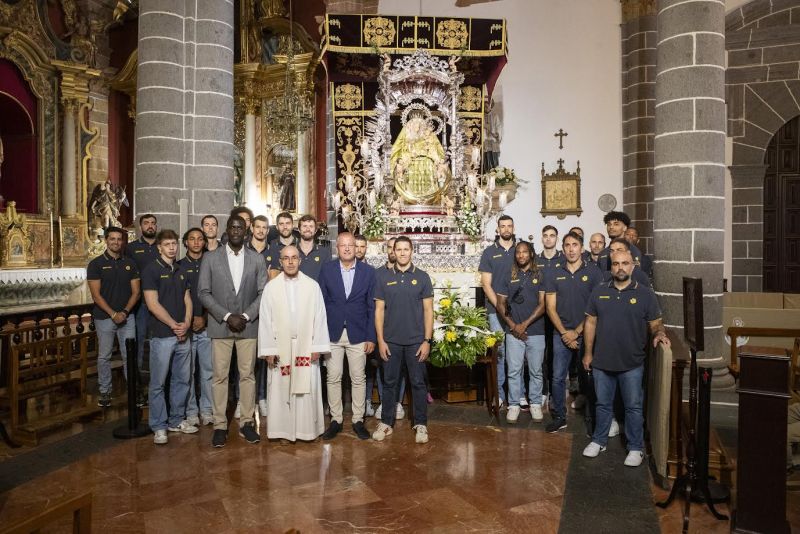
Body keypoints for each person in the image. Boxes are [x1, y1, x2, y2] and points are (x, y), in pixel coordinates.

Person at [582, 248, 670, 467]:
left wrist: (659, 334)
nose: (620, 267)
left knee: (633, 407)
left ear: (632, 266)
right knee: (602, 405)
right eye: (615, 264)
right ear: (611, 267)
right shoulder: (599, 291)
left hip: (632, 363)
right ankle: (599, 440)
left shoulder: (645, 294)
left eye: (624, 263)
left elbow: (656, 323)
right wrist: (588, 353)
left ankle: (635, 448)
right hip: (602, 361)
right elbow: (590, 323)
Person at [198, 215, 268, 447]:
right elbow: (203, 292)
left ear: (246, 231)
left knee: (247, 376)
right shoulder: (210, 258)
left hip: (248, 326)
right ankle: (220, 425)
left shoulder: (256, 259)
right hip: (220, 326)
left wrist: (246, 316)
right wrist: (227, 316)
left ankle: (247, 423)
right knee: (220, 376)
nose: (236, 230)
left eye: (240, 227)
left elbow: (263, 292)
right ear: (227, 230)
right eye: (233, 227)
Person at [258, 245, 331, 441]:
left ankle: (306, 431)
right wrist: (269, 349)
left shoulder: (312, 286)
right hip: (280, 349)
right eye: (286, 258)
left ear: (300, 260)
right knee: (281, 389)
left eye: (294, 258)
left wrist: (317, 346)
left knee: (306, 388)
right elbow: (265, 320)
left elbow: (320, 317)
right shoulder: (271, 287)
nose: (290, 262)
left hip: (305, 347)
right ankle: (283, 431)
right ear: (280, 262)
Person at [372, 236, 434, 444]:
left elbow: (428, 311)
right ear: (394, 252)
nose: (402, 253)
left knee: (418, 383)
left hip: (416, 341)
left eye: (406, 249)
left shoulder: (422, 277)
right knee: (389, 383)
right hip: (391, 341)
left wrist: (427, 340)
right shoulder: (383, 278)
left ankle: (421, 424)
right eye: (398, 249)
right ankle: (386, 422)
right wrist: (381, 340)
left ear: (412, 251)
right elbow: (379, 311)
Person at [318, 232, 376, 440]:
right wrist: (319, 336)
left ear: (356, 247)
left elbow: (371, 307)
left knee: (358, 378)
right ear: (338, 248)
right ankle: (336, 420)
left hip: (358, 333)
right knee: (333, 377)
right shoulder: (327, 270)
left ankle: (358, 420)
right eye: (343, 245)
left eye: (351, 245)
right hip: (332, 333)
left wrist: (371, 337)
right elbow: (320, 304)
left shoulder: (369, 272)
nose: (347, 248)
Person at [544, 231, 603, 433]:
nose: (571, 249)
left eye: (575, 245)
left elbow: (595, 307)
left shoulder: (594, 272)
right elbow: (550, 307)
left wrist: (576, 332)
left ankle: (591, 419)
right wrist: (564, 333)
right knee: (557, 377)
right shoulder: (553, 272)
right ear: (563, 249)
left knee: (589, 377)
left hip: (586, 333)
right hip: (560, 334)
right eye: (567, 245)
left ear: (582, 248)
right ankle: (560, 417)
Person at [141, 229, 196, 445]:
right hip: (163, 335)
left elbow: (187, 299)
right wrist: (174, 325)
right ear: (159, 247)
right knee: (158, 383)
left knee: (182, 380)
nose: (172, 248)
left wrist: (187, 323)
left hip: (183, 334)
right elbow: (152, 304)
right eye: (167, 244)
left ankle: (176, 420)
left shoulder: (181, 269)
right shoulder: (151, 270)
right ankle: (159, 426)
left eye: (174, 244)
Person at [87, 227, 140, 407]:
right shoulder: (96, 264)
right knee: (104, 356)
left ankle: (133, 392)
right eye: (112, 239)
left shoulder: (130, 263)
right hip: (104, 318)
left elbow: (136, 292)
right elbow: (96, 296)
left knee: (129, 355)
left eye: (119, 239)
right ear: (106, 240)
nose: (116, 242)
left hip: (127, 317)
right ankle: (105, 391)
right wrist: (113, 314)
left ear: (122, 241)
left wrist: (124, 312)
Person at [496, 241, 547, 424]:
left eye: (525, 252)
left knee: (536, 371)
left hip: (536, 331)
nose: (521, 255)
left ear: (531, 254)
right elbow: (500, 304)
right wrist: (513, 325)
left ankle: (535, 403)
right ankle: (514, 405)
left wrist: (524, 324)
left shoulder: (540, 274)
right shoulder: (508, 275)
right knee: (514, 370)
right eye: (518, 252)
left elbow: (543, 305)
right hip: (513, 332)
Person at [366, 237, 407, 419]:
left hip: (401, 327)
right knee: (383, 367)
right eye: (390, 247)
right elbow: (374, 303)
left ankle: (397, 403)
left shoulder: (406, 272)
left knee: (401, 368)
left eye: (395, 247)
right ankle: (385, 402)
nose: (392, 251)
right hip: (382, 328)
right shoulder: (378, 274)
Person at [478, 215, 516, 408]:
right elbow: (486, 284)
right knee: (499, 353)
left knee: (516, 354)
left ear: (513, 228)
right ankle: (499, 395)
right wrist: (500, 308)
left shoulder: (521, 250)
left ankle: (517, 395)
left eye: (509, 226)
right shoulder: (489, 252)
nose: (506, 229)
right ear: (498, 229)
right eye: (503, 226)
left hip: (518, 311)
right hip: (495, 311)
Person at [178, 228, 213, 426]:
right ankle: (191, 410)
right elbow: (177, 298)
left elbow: (217, 295)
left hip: (207, 325)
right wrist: (188, 320)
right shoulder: (179, 266)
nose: (196, 242)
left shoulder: (211, 263)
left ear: (205, 242)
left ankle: (207, 409)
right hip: (187, 326)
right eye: (192, 239)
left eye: (200, 239)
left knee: (208, 370)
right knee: (187, 371)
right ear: (186, 242)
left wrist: (205, 318)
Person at [126, 214, 158, 373]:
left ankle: (157, 377)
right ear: (140, 227)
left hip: (160, 302)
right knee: (138, 340)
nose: (150, 226)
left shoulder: (163, 245)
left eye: (153, 223)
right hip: (140, 304)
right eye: (146, 223)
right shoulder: (131, 248)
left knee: (157, 340)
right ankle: (137, 379)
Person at [295, 214, 332, 281]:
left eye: (311, 226)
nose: (308, 229)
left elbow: (328, 277)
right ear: (299, 229)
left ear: (315, 230)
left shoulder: (324, 253)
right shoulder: (291, 252)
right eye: (304, 226)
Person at [267, 211, 298, 279]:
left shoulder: (300, 244)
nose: (285, 227)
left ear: (293, 225)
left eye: (288, 223)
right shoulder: (271, 246)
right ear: (277, 227)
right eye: (281, 224)